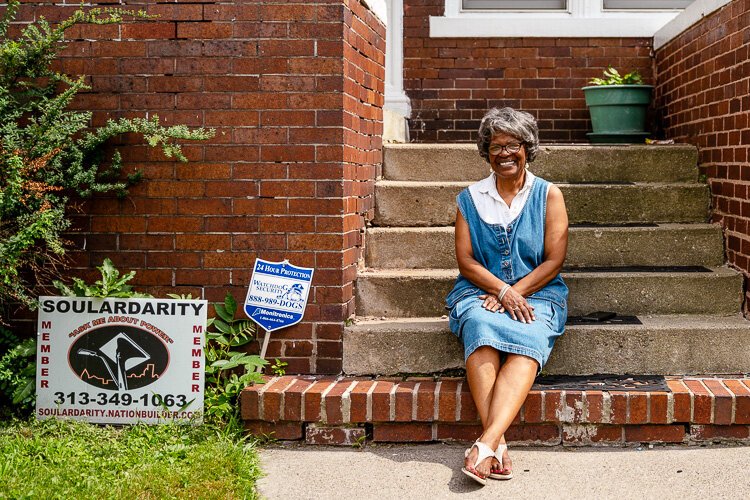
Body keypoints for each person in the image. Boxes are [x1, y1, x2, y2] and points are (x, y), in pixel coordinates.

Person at [445, 107, 569, 486]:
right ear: (486, 151)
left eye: (512, 145)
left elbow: (554, 260)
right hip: (480, 291)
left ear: (527, 148)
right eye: (495, 146)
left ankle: (485, 444)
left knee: (528, 336)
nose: (504, 153)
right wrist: (499, 289)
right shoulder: (470, 198)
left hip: (539, 291)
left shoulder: (548, 195)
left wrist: (515, 291)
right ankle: (495, 444)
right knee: (479, 325)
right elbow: (466, 261)